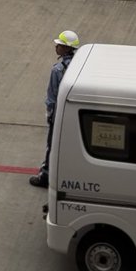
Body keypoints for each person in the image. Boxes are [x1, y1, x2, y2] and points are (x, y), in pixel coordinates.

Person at [29, 30, 80, 188]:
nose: (56, 47)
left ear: (66, 48)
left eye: (59, 45)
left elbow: (52, 98)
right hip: (75, 112)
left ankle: (46, 176)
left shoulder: (57, 69)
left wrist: (50, 114)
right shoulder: (79, 64)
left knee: (52, 145)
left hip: (59, 113)